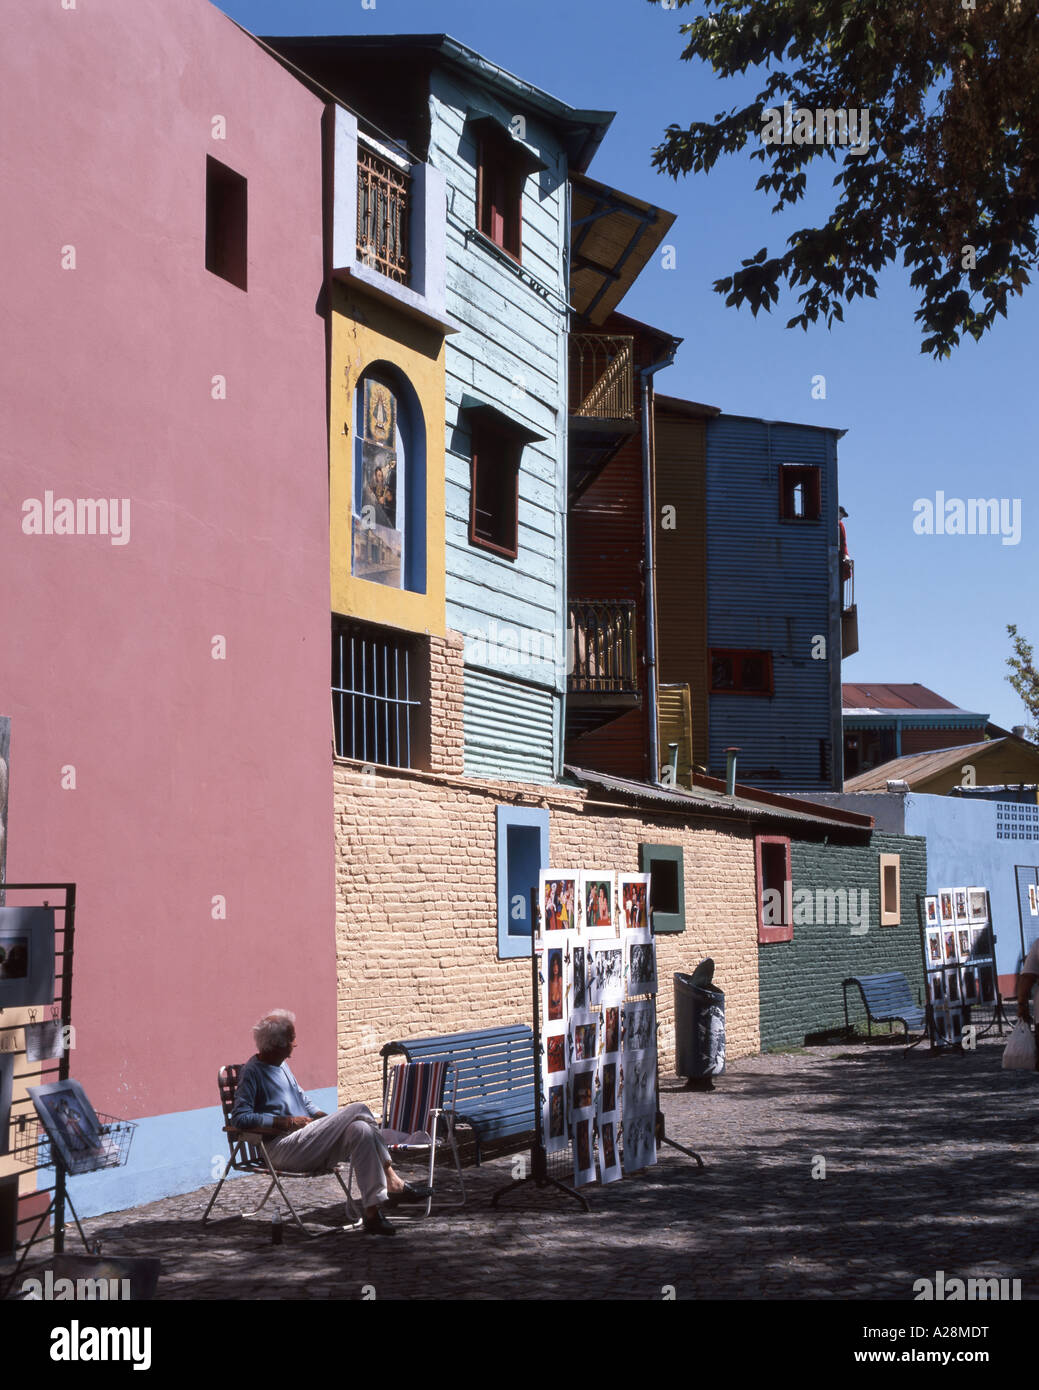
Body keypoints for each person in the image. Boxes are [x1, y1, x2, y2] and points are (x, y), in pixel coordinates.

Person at [231, 1009, 423, 1236]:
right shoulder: (252, 1072)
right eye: (292, 1039)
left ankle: (372, 1213)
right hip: (281, 1148)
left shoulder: (281, 1065)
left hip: (306, 1140)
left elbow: (302, 1098)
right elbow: (240, 1118)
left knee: (360, 1129)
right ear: (278, 1044)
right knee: (359, 1109)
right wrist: (285, 1121)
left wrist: (322, 1117)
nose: (296, 1044)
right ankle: (392, 1179)